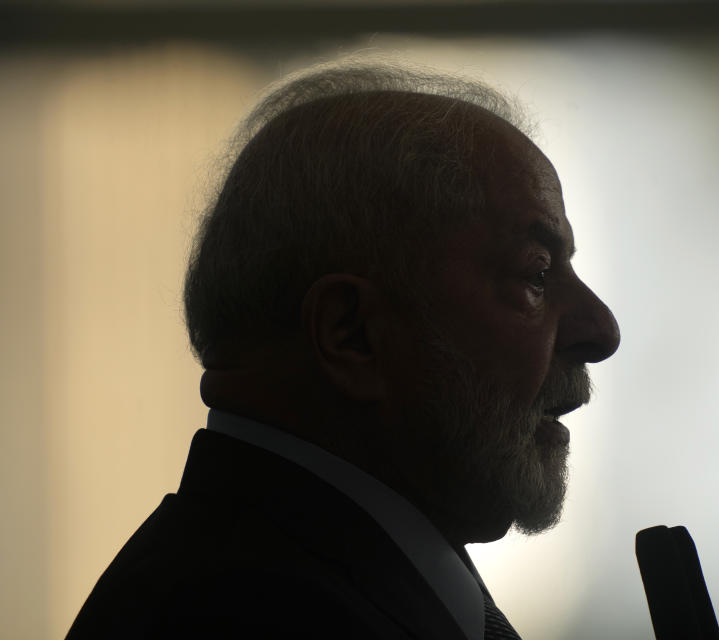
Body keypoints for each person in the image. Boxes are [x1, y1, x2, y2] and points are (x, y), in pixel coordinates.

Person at [66, 62, 620, 640]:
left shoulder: (279, 577)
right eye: (537, 272)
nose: (601, 330)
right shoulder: (238, 616)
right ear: (351, 333)